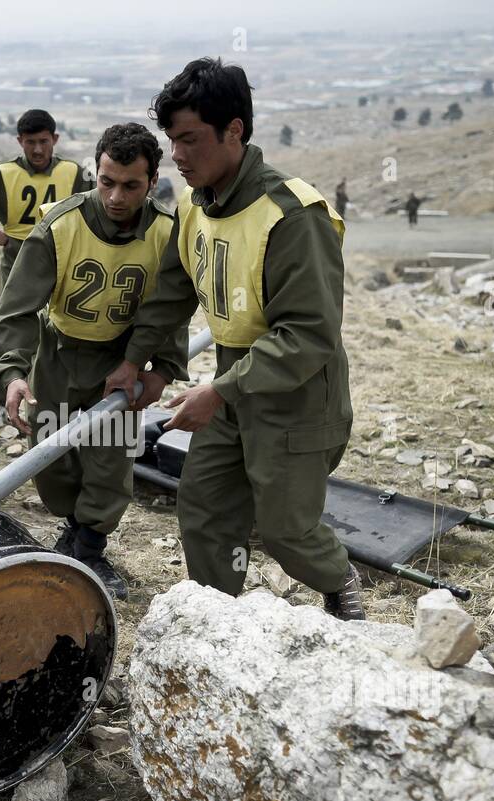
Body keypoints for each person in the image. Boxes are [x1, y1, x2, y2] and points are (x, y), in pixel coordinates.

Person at [102, 57, 365, 620]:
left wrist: (218, 393)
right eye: (173, 140)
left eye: (191, 139)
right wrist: (136, 361)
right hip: (233, 377)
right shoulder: (197, 206)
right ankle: (219, 621)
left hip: (296, 387)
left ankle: (342, 584)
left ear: (235, 131)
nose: (177, 155)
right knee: (204, 506)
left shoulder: (292, 215)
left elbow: (310, 334)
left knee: (286, 531)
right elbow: (173, 294)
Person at [0, 123, 187, 598]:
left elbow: (170, 309)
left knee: (109, 458)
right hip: (58, 357)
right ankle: (71, 527)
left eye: (131, 186)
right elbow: (17, 307)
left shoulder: (165, 233)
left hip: (118, 363)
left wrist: (159, 370)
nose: (117, 196)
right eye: (107, 182)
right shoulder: (60, 225)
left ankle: (91, 546)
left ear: (152, 179)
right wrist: (13, 373)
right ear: (95, 172)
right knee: (53, 455)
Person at [0, 109, 95, 430]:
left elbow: (96, 205)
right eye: (30, 142)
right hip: (17, 256)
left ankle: (51, 399)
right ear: (20, 141)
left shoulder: (74, 173)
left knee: (60, 326)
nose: (37, 149)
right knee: (5, 324)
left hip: (62, 257)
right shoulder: (1, 174)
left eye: (43, 141)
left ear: (55, 140)